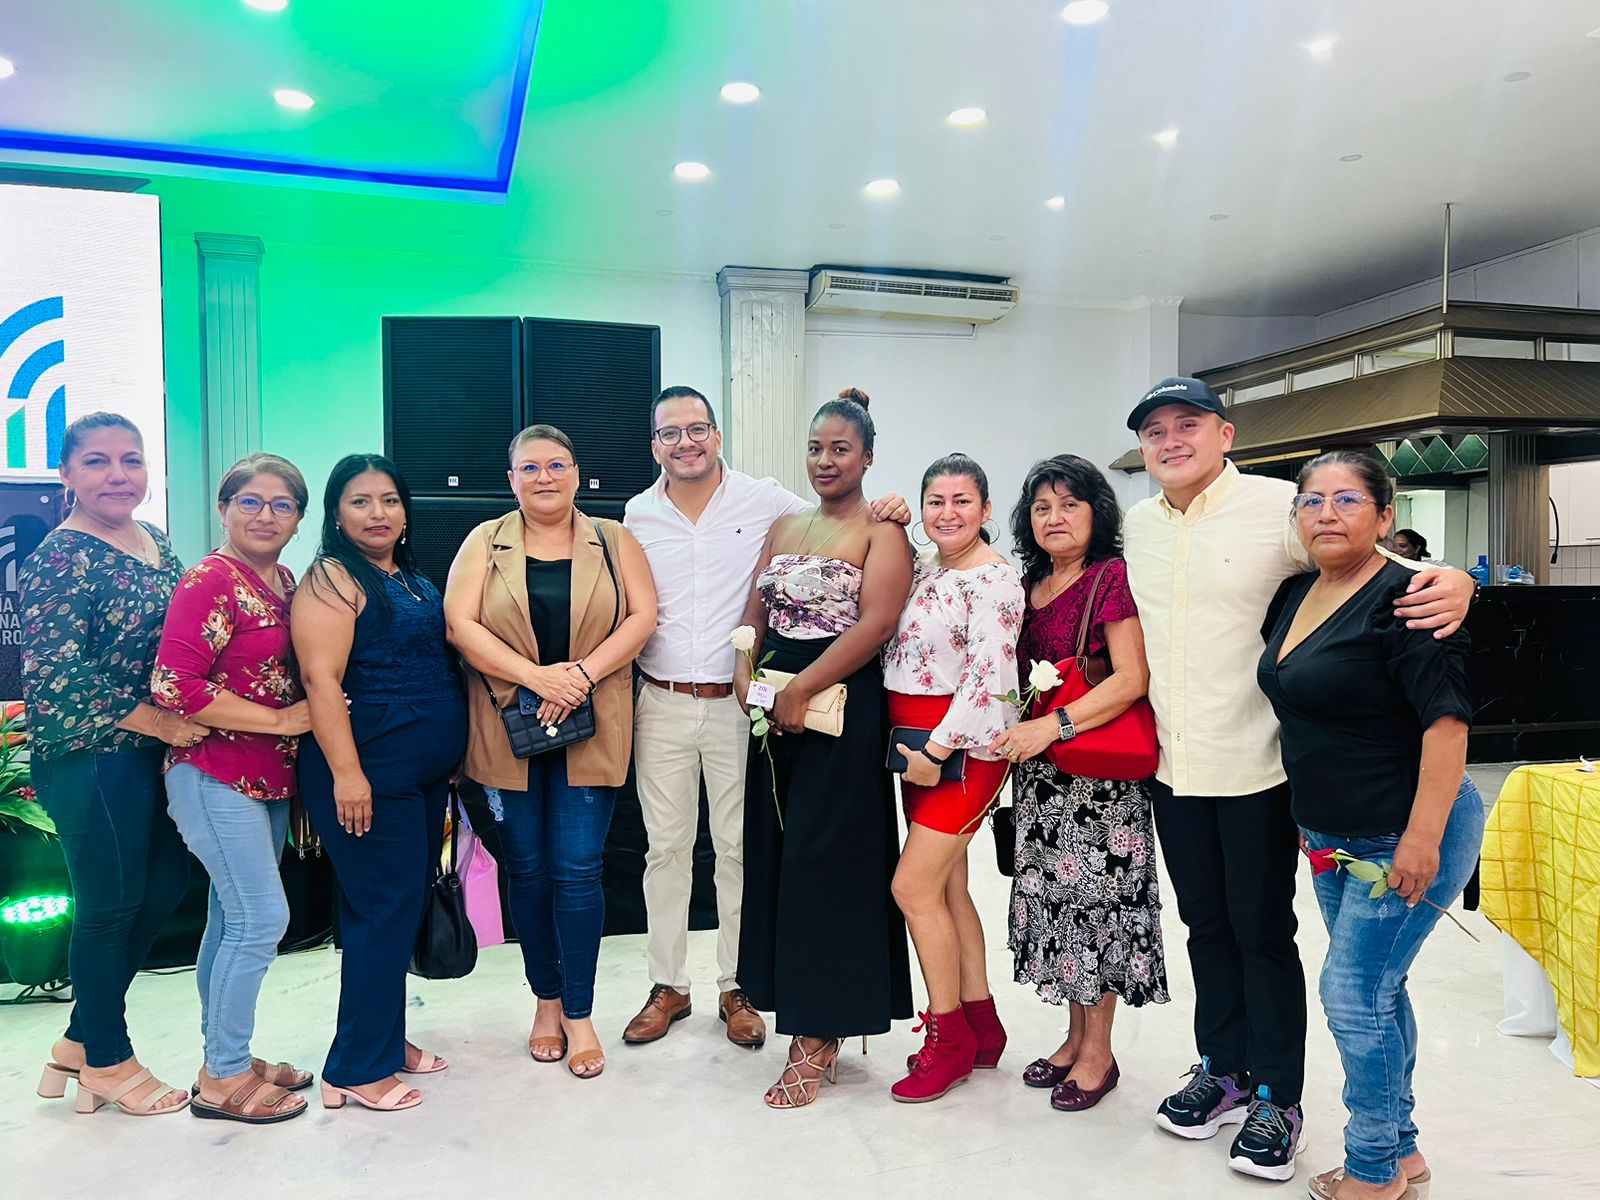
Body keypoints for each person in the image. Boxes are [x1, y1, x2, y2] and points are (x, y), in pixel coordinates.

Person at [1121, 377, 1475, 1182]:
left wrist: (1460, 579)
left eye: (1188, 424)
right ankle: (1224, 1069)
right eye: (1155, 431)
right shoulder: (1138, 525)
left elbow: (1371, 562)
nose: (1171, 441)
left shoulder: (1280, 507)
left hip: (1260, 769)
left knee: (1261, 934)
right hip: (1175, 767)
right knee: (1205, 930)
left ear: (1224, 435)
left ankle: (1278, 1096)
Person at [621, 385, 908, 1051]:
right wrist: (753, 676)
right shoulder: (638, 513)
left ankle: (738, 986)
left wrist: (896, 504)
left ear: (718, 435)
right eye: (670, 433)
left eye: (697, 429)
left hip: (760, 709)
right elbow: (755, 605)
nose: (685, 442)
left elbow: (866, 575)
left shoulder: (763, 500)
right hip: (669, 697)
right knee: (664, 849)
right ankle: (668, 985)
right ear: (655, 445)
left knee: (740, 848)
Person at [1258, 452, 1480, 1200]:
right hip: (1332, 836)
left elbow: (1447, 725)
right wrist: (1312, 819)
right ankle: (1402, 1153)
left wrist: (1423, 839)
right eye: (1312, 500)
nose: (1327, 512)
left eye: (1348, 499)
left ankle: (1374, 1170)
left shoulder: (1410, 598)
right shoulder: (1296, 593)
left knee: (1353, 994)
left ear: (1385, 516)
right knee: (1379, 990)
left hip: (1405, 829)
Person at [445, 424, 657, 1081]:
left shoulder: (614, 540)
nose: (544, 476)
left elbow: (642, 618)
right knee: (529, 870)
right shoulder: (485, 541)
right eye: (530, 467)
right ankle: (546, 999)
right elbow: (459, 624)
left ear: (577, 473)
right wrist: (538, 679)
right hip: (509, 726)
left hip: (591, 725)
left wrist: (581, 677)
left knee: (578, 871)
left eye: (557, 464)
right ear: (511, 479)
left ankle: (581, 1012)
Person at [21, 412, 207, 1117]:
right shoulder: (58, 558)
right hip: (90, 757)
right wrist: (162, 722)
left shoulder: (154, 541)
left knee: (164, 885)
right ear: (67, 474)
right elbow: (60, 674)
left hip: (151, 755)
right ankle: (107, 1058)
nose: (118, 475)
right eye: (97, 461)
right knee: (109, 906)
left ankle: (78, 1038)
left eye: (131, 460)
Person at [734, 389, 915, 1109]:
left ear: (868, 458)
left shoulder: (882, 531)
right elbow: (754, 615)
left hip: (841, 711)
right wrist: (749, 680)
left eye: (841, 449)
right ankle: (793, 1004)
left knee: (828, 868)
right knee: (778, 860)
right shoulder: (785, 524)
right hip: (774, 711)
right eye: (816, 448)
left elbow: (877, 625)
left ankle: (820, 1035)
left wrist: (802, 688)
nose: (825, 461)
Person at [989, 455, 1168, 1114]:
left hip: (1098, 781)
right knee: (1059, 910)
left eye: (1069, 504)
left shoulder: (1109, 577)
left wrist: (1055, 725)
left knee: (1098, 911)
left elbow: (1131, 677)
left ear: (1097, 513)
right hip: (1039, 777)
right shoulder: (1028, 585)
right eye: (1042, 507)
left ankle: (1100, 1052)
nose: (1055, 517)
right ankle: (1073, 1037)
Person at [292, 454, 466, 1113]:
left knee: (398, 906)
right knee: (380, 911)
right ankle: (356, 1067)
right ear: (336, 514)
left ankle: (384, 1042)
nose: (378, 513)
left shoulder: (409, 576)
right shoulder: (333, 578)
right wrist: (347, 774)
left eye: (389, 500)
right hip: (368, 770)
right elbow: (321, 680)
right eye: (360, 501)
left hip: (419, 772)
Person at [151, 453, 314, 1124]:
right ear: (224, 509)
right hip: (215, 771)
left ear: (299, 519)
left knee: (230, 920)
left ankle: (228, 1055)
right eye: (250, 501)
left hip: (265, 778)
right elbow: (174, 687)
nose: (265, 515)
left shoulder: (283, 582)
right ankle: (222, 1076)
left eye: (282, 505)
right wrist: (282, 720)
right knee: (260, 919)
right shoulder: (210, 580)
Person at [881, 452, 1022, 1103]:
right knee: (947, 888)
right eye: (935, 501)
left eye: (962, 501)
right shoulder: (925, 567)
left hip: (961, 752)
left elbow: (988, 676)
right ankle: (981, 1024)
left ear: (986, 509)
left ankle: (949, 1039)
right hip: (914, 748)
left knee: (912, 888)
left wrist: (937, 750)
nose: (947, 513)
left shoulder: (994, 580)